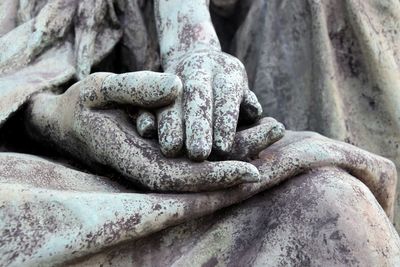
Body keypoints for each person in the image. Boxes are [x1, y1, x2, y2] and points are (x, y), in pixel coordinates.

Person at [0, 0, 399, 265]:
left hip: (192, 154)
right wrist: (57, 118)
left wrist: (194, 45)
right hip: (38, 165)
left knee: (330, 205)